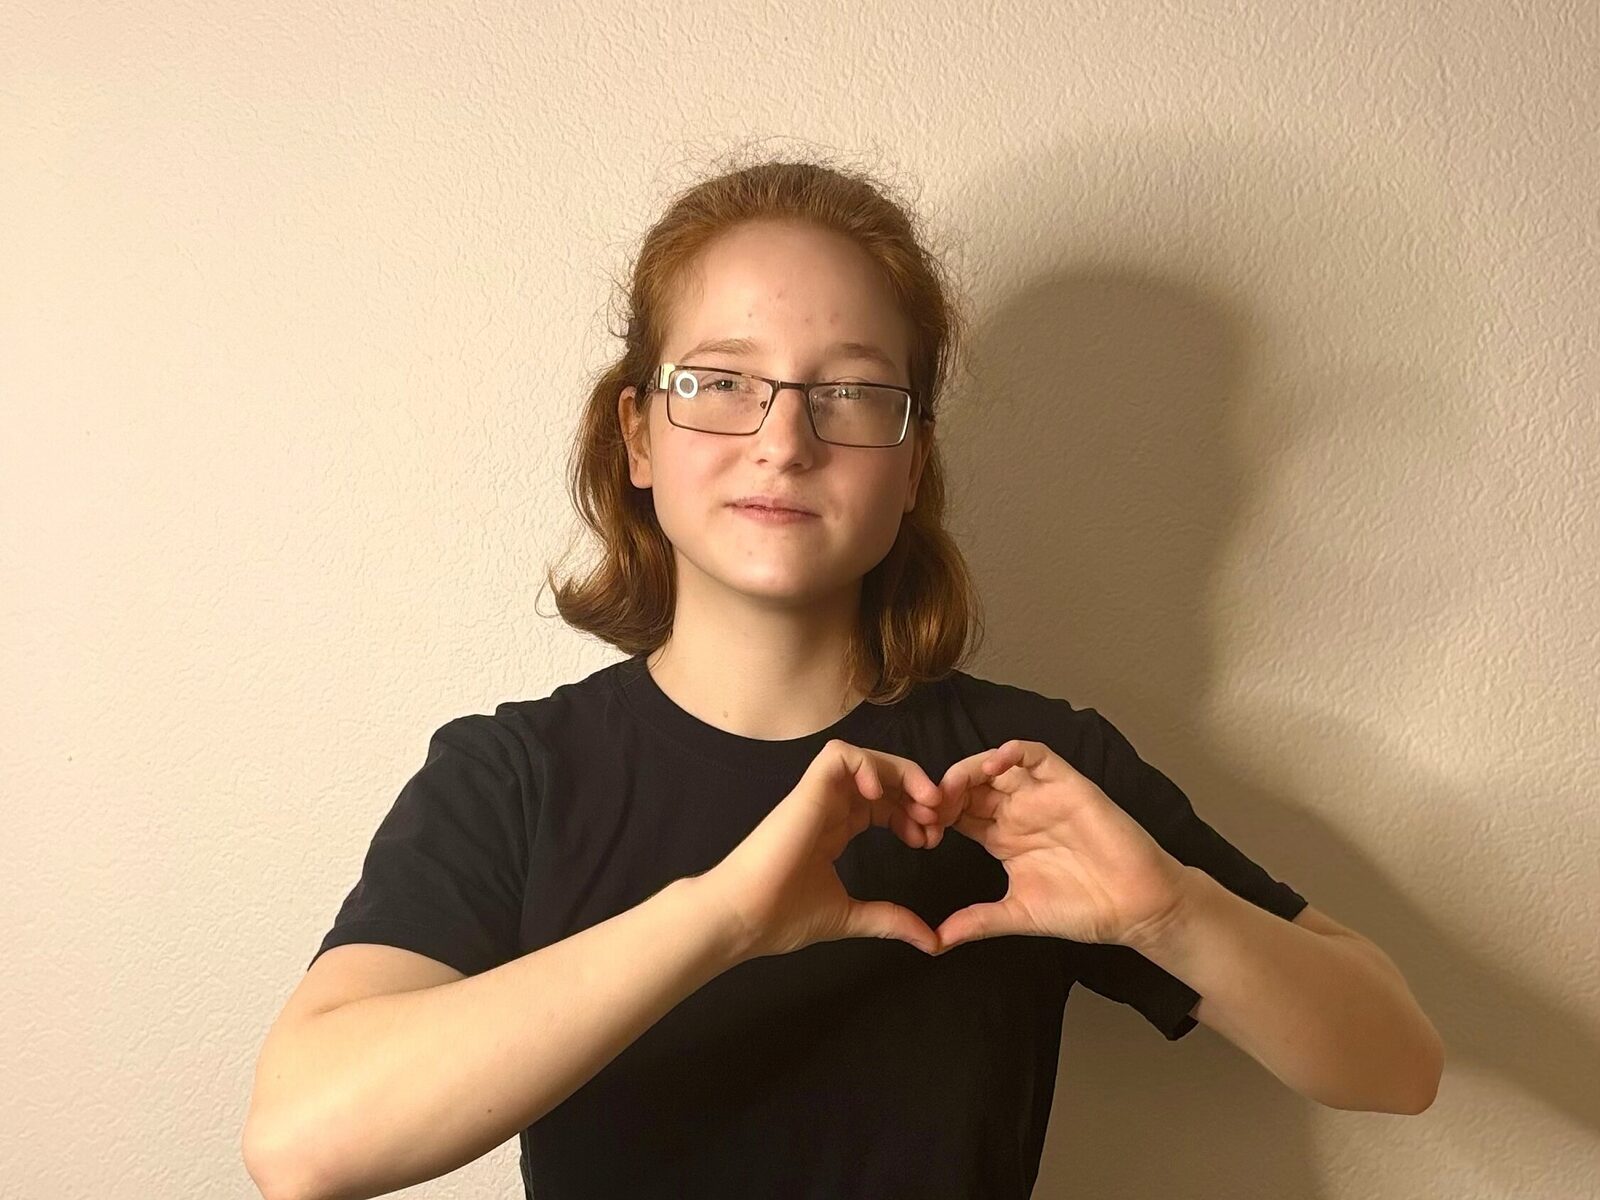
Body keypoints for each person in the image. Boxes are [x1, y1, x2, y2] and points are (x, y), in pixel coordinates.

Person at [243, 154, 1441, 1200]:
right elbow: (301, 1145)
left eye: (851, 393)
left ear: (912, 463)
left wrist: (1168, 915)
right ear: (638, 435)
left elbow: (1398, 1065)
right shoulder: (513, 777)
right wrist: (720, 920)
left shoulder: (1031, 779)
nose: (784, 440)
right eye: (721, 382)